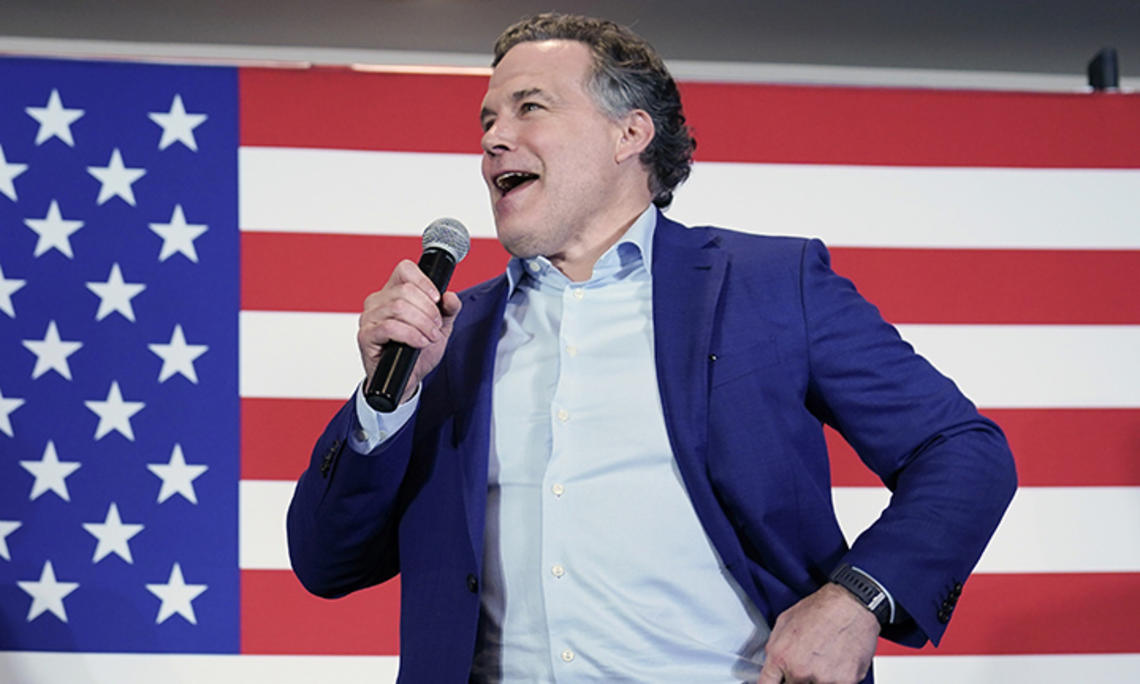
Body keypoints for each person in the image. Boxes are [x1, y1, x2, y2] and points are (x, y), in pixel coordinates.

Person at [287, 12, 1016, 684]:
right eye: (488, 118)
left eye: (530, 107)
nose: (492, 139)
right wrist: (390, 402)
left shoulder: (770, 286)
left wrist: (858, 600)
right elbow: (326, 562)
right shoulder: (452, 337)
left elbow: (962, 450)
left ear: (629, 134)